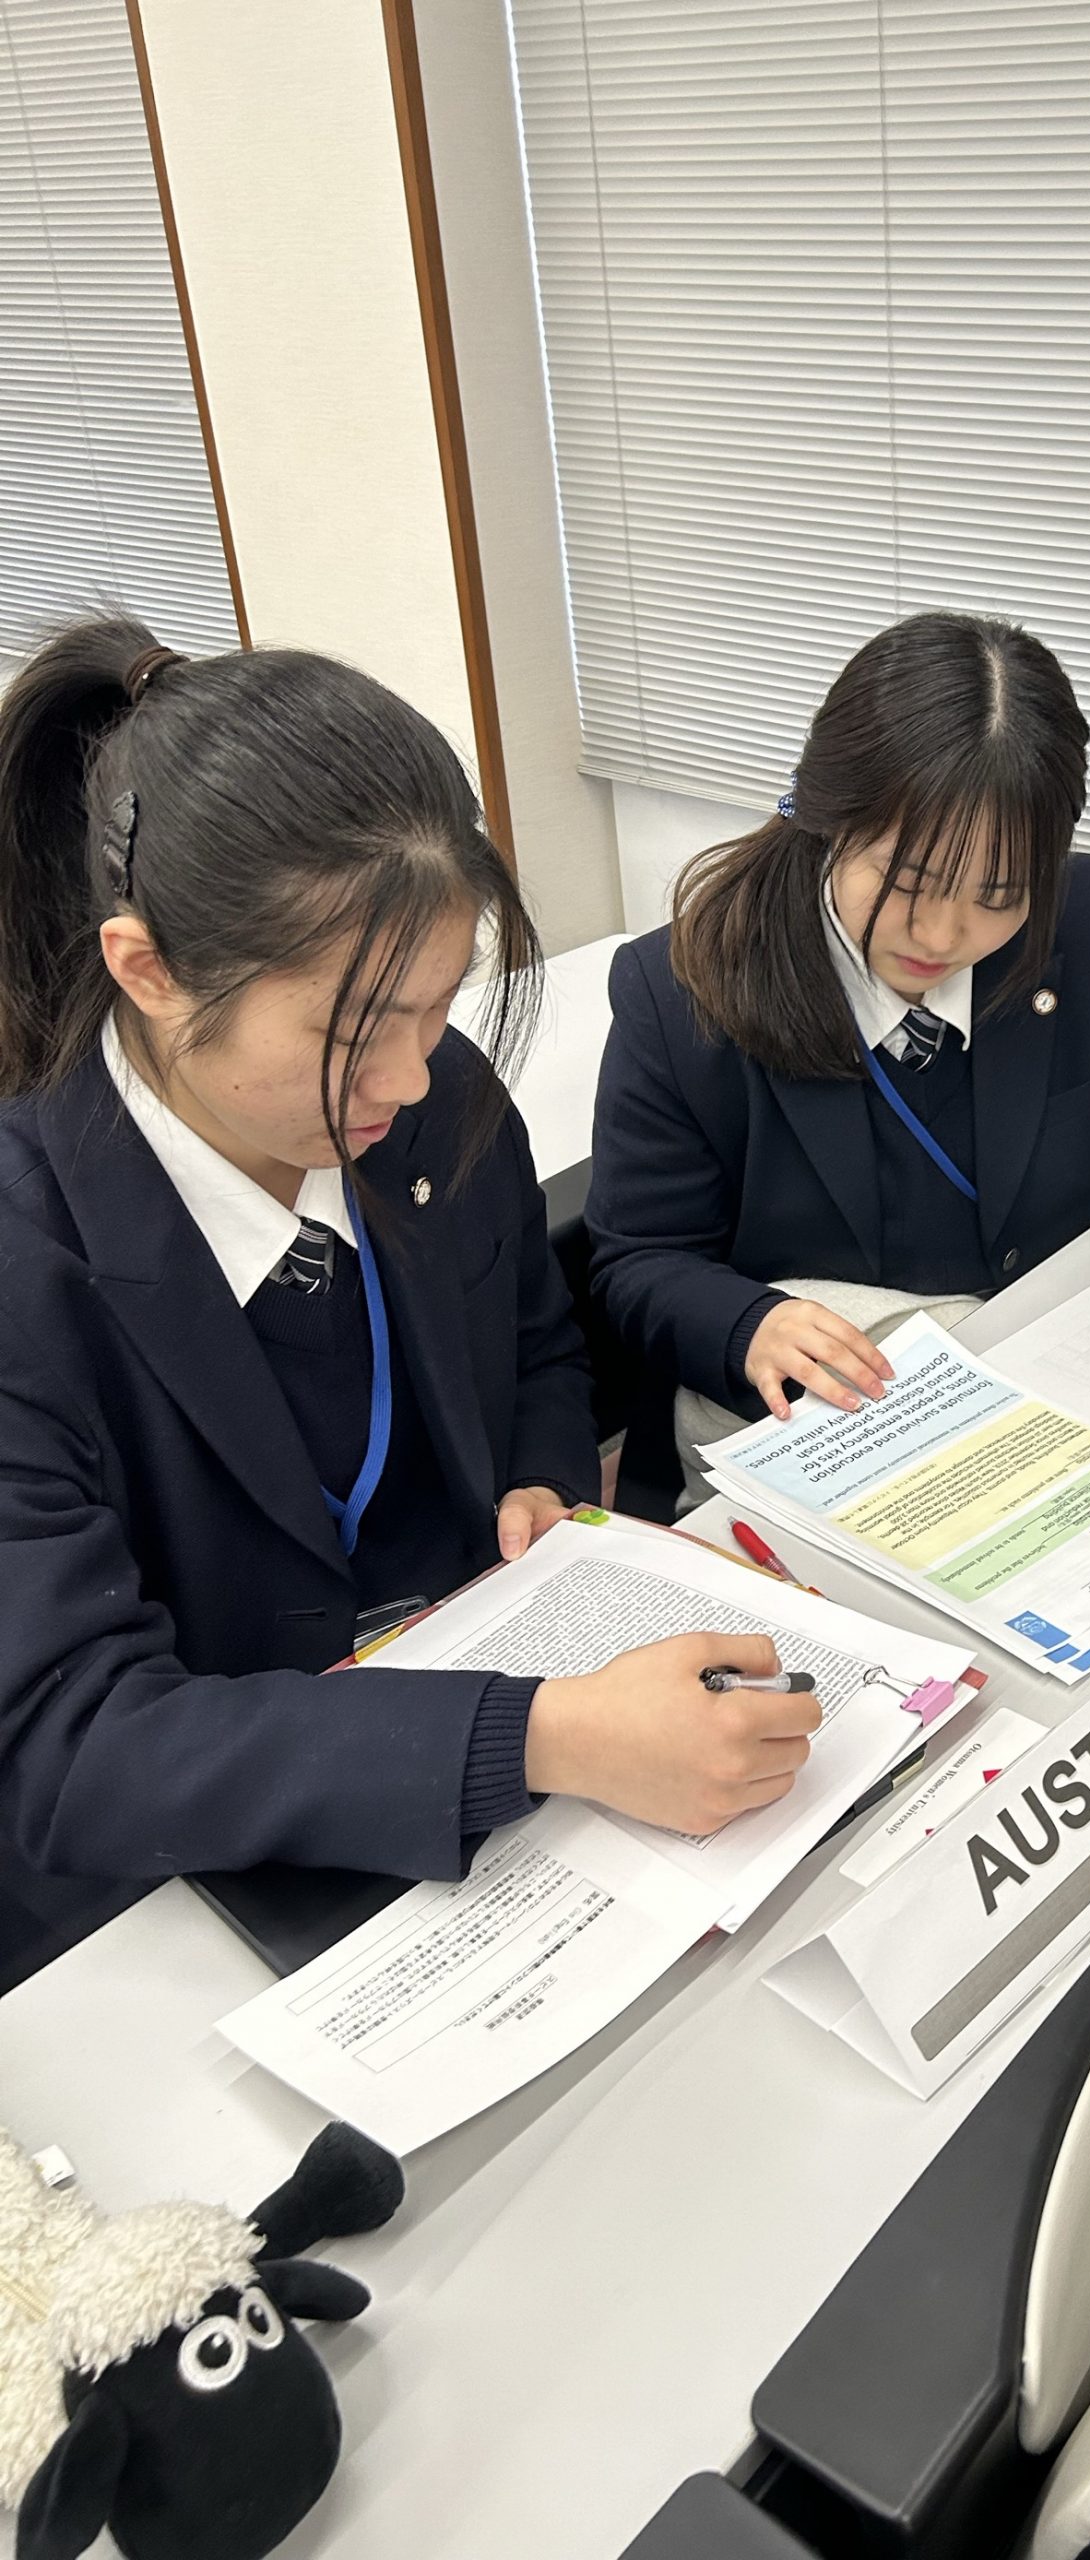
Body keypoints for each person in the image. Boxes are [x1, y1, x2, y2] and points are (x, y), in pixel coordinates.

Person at [0, 616, 814, 1912]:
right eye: (355, 1030)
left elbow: (536, 1343)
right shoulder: (31, 1258)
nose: (411, 1077)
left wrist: (546, 1480)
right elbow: (72, 1747)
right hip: (197, 1891)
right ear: (147, 971)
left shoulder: (434, 1109)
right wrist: (538, 1736)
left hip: (494, 1764)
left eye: (438, 1005)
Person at [587, 610, 1090, 1472]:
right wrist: (748, 1325)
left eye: (999, 895)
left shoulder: (1086, 920)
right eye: (907, 882)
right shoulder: (683, 988)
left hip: (1038, 1393)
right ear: (825, 816)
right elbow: (640, 1262)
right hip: (821, 1432)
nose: (943, 935)